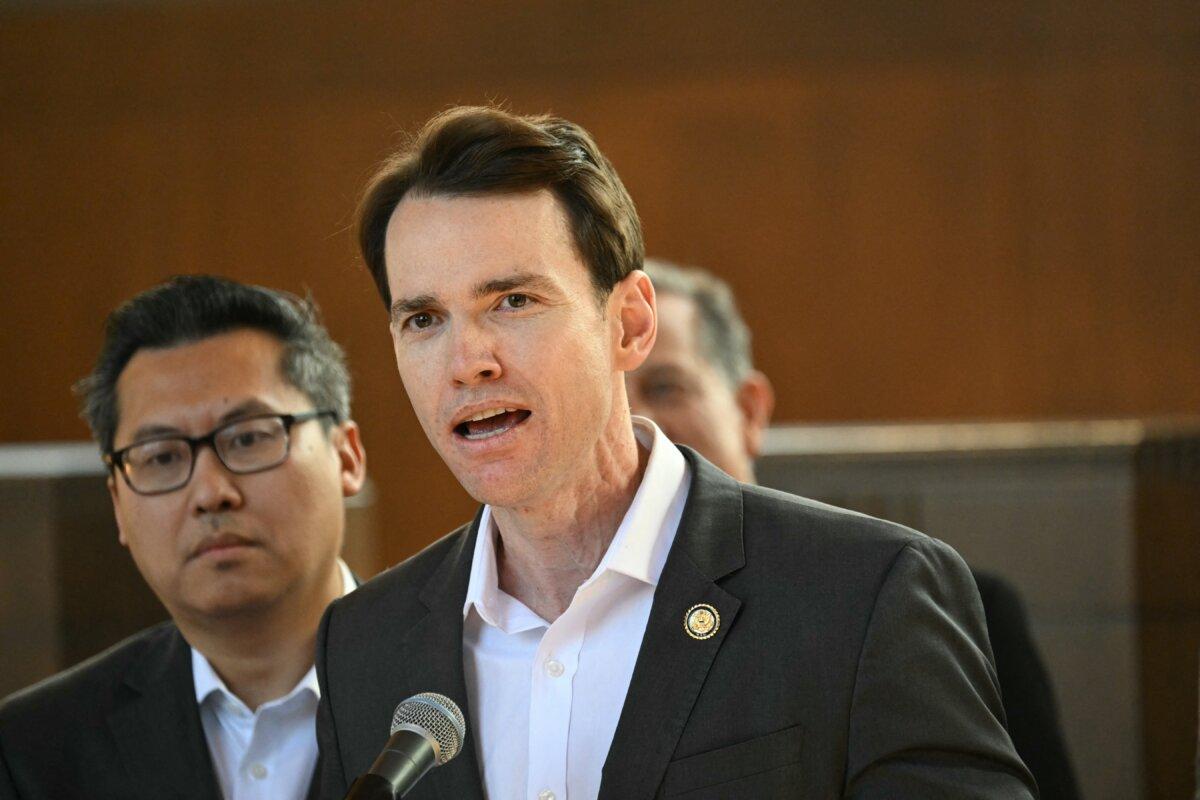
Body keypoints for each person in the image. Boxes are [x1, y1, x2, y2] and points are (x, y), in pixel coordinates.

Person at [315, 105, 1037, 799]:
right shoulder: (363, 647)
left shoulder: (865, 597)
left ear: (629, 323)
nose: (467, 360)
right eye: (423, 319)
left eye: (514, 302)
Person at [627, 257, 1081, 800]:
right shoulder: (546, 619)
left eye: (666, 388)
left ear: (750, 411)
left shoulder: (912, 604)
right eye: (613, 396)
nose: (637, 426)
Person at [0, 276, 367, 800]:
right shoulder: (35, 750)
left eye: (248, 437)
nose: (211, 493)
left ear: (347, 456)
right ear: (118, 507)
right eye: (162, 457)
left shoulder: (458, 687)